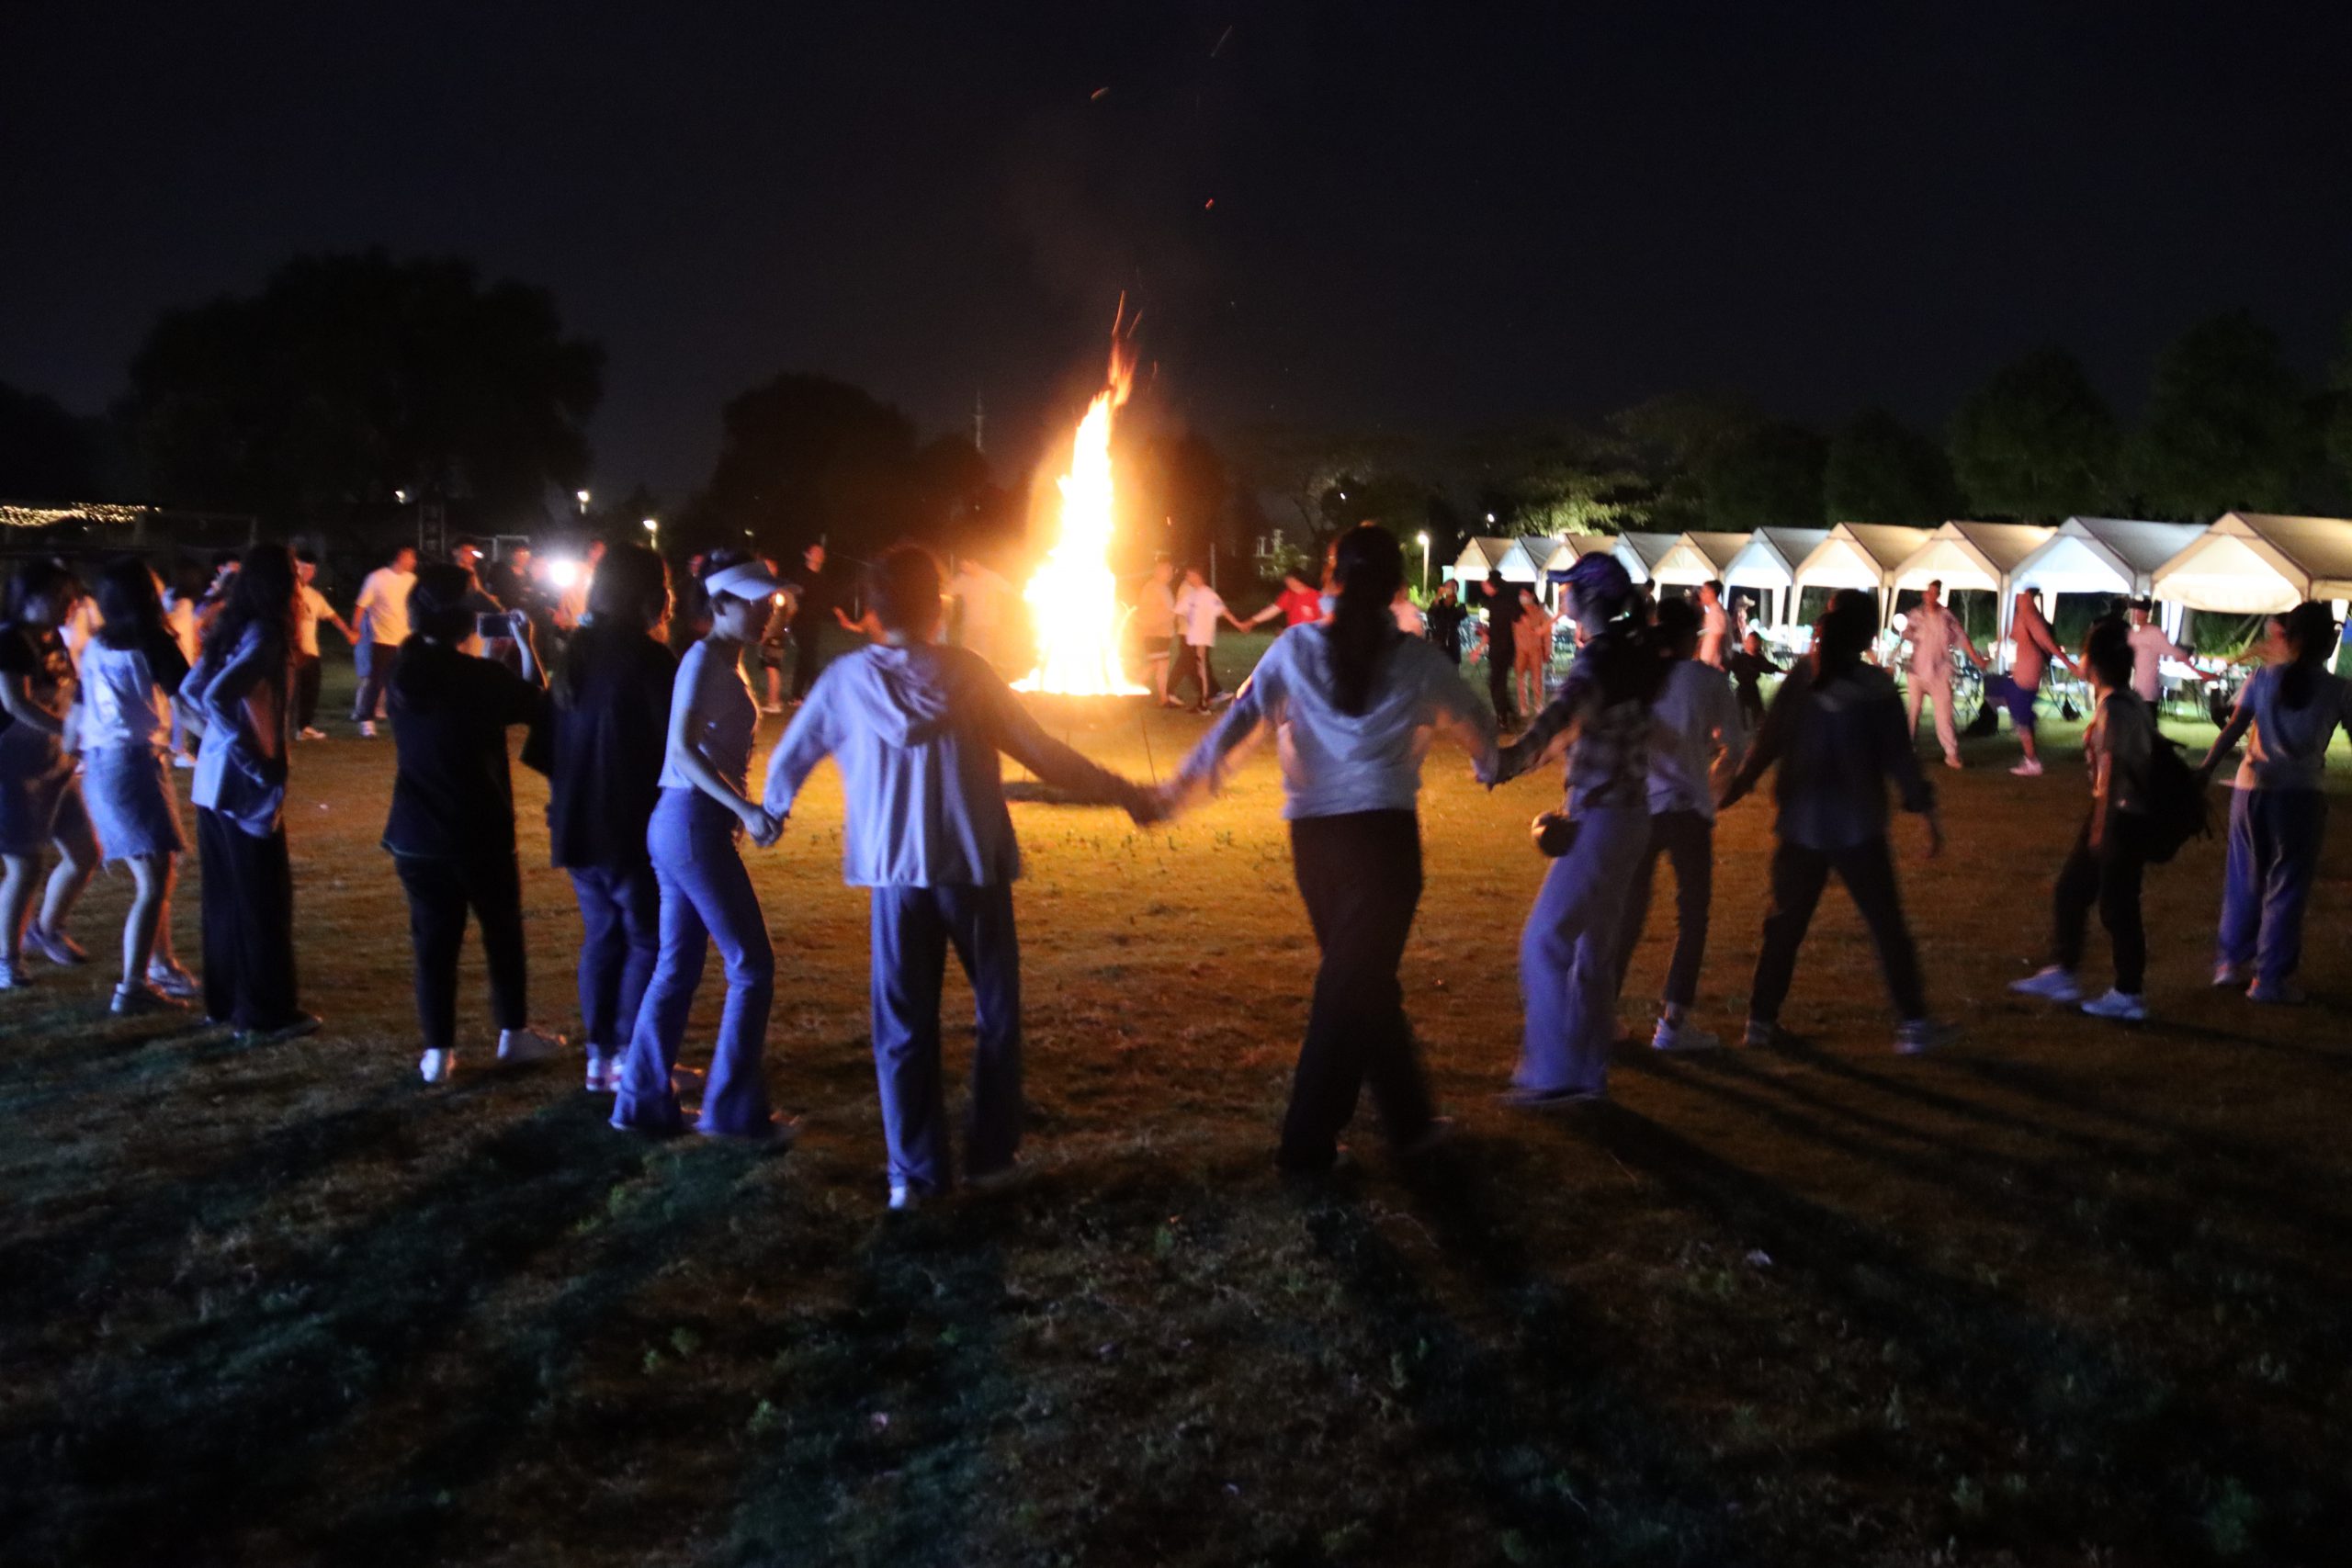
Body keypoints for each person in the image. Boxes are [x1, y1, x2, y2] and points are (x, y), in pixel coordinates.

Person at [763, 545, 1157, 1207]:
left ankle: (913, 1175)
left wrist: (770, 811)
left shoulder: (845, 681)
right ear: (938, 606)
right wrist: (1121, 789)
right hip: (971, 867)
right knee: (996, 1011)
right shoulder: (969, 675)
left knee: (902, 1025)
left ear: (872, 612)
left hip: (895, 873)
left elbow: (792, 755)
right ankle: (991, 1153)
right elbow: (1042, 752)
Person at [1162, 525, 1498, 1169]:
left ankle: (1409, 1122)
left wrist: (1180, 788)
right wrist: (1490, 763)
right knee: (1353, 983)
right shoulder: (1418, 660)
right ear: (1397, 587)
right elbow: (1476, 722)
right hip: (1384, 844)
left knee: (1362, 980)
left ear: (1330, 579)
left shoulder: (1294, 649)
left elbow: (1238, 722)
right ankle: (1307, 1142)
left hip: (1316, 843)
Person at [1718, 590, 1954, 1054]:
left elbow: (1768, 740)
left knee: (1785, 926)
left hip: (1800, 824)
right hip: (1857, 827)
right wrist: (1925, 812)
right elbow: (1899, 758)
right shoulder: (1876, 688)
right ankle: (1914, 1025)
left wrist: (1739, 785)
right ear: (1866, 635)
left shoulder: (1803, 679)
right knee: (1886, 925)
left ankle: (1760, 1022)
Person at [611, 552, 789, 1144]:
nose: (766, 612)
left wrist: (742, 808)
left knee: (678, 966)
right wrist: (745, 809)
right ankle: (732, 1113)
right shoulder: (702, 659)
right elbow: (682, 750)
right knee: (751, 966)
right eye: (755, 603)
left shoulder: (726, 662)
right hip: (691, 825)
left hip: (686, 825)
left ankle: (640, 1102)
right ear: (720, 604)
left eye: (770, 602)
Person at [1488, 553, 1668, 1107]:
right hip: (1628, 816)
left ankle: (1553, 1074)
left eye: (1568, 587)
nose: (1561, 595)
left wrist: (1511, 758)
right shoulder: (1630, 654)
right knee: (1593, 954)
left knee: (1545, 940)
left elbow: (1561, 715)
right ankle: (1588, 1074)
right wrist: (1534, 761)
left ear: (1589, 597)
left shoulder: (1601, 659)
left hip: (1603, 816)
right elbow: (1586, 727)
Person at [383, 565, 565, 1081]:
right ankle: (513, 1033)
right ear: (466, 621)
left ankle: (437, 1053)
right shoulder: (480, 678)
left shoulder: (405, 669)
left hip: (416, 832)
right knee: (501, 933)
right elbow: (537, 703)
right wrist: (524, 644)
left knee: (433, 943)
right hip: (478, 827)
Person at [548, 543, 677, 1091]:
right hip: (626, 821)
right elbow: (675, 745)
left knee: (603, 936)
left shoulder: (576, 653)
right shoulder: (649, 660)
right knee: (647, 938)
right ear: (651, 596)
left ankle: (600, 1059)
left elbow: (548, 746)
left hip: (576, 821)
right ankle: (631, 1056)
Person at [181, 544, 317, 1042]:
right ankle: (267, 1012)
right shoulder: (267, 635)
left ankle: (225, 1003)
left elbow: (191, 693)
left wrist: (218, 740)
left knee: (225, 900)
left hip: (212, 786)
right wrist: (253, 759)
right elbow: (215, 695)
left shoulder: (232, 627)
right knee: (263, 901)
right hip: (244, 789)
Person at [2197, 602, 2352, 1005]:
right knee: (2286, 886)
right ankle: (2268, 979)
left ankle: (2230, 964)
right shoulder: (2338, 690)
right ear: (2330, 642)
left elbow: (2234, 727)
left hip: (2250, 790)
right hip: (2300, 795)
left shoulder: (2262, 678)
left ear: (2290, 638)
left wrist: (2206, 768)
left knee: (2243, 879)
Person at [2008, 619, 2160, 1021]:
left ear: (2094, 661)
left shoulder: (2116, 708)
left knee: (2117, 905)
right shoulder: (2126, 701)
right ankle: (2064, 971)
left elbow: (2113, 770)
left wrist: (2099, 828)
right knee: (2072, 890)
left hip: (2120, 814)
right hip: (2117, 811)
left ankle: (2129, 993)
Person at [1617, 597, 1745, 1052]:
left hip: (1641, 807)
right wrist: (1712, 790)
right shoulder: (1708, 681)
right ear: (1694, 637)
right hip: (1688, 809)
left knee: (1628, 913)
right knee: (1692, 916)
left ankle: (1601, 1014)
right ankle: (1673, 1022)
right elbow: (1734, 747)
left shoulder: (1636, 678)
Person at [74, 558, 201, 1013]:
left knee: (157, 870)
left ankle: (162, 964)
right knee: (155, 878)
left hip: (101, 764)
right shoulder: (154, 640)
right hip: (132, 763)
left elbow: (80, 705)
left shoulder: (96, 645)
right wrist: (224, 739)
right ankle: (132, 985)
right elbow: (188, 703)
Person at [0, 561, 99, 988]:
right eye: (60, 597)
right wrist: (72, 731)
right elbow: (15, 703)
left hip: (56, 764)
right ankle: (7, 958)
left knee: (86, 853)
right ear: (29, 597)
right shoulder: (11, 640)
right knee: (24, 864)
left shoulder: (53, 639)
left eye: (72, 598)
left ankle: (47, 928)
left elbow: (69, 691)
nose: (69, 605)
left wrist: (83, 723)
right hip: (14, 771)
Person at [1894, 579, 1985, 770]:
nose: (1930, 596)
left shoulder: (1946, 617)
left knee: (1944, 716)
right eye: (1929, 592)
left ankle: (1951, 755)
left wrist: (1976, 659)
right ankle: (1905, 750)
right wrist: (1906, 633)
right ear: (1925, 594)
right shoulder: (1916, 615)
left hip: (1940, 673)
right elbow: (1905, 633)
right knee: (1914, 711)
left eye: (1935, 593)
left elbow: (1962, 637)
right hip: (1917, 672)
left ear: (1938, 595)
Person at [1995, 586, 2080, 777]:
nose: (2015, 597)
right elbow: (2012, 634)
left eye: (2018, 594)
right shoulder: (2023, 614)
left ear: (2024, 594)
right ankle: (2030, 736)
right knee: (2000, 695)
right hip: (2021, 676)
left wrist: (2070, 665)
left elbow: (2047, 642)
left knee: (2021, 720)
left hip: (2027, 678)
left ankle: (2032, 761)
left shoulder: (2031, 616)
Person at [350, 545, 418, 737]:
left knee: (402, 681)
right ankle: (366, 719)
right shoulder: (377, 578)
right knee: (376, 681)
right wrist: (355, 629)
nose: (414, 561)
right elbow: (361, 605)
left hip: (405, 639)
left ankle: (402, 716)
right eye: (411, 557)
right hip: (382, 639)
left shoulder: (412, 580)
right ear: (400, 557)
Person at [290, 548, 357, 741]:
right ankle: (283, 727)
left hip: (311, 652)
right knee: (289, 691)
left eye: (312, 570)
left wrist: (348, 633)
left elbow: (332, 616)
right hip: (291, 651)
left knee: (311, 690)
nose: (309, 573)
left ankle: (304, 727)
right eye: (305, 568)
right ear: (296, 568)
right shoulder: (288, 592)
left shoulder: (314, 595)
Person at [787, 543, 857, 704]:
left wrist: (842, 617)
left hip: (813, 623)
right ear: (807, 555)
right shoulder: (800, 576)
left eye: (822, 553)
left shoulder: (822, 579)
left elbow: (831, 601)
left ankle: (796, 695)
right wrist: (786, 621)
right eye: (816, 552)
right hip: (800, 622)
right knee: (809, 656)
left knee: (805, 657)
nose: (820, 555)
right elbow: (791, 599)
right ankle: (818, 693)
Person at [1172, 566, 1247, 712]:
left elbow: (1223, 611)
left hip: (1202, 639)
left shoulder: (1209, 594)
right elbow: (1177, 610)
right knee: (1199, 670)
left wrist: (1238, 624)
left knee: (1201, 671)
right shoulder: (1192, 595)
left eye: (1189, 575)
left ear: (1198, 576)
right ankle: (1205, 700)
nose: (1187, 578)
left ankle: (1204, 705)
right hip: (1192, 638)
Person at [2125, 598, 2213, 719]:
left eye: (2138, 611)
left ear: (2146, 613)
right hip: (2135, 691)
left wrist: (2199, 672)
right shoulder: (2133, 635)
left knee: (2146, 725)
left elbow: (2177, 654)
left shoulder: (2153, 634)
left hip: (2148, 691)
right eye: (2133, 611)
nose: (2135, 614)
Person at [1472, 570, 1521, 725]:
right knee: (1500, 681)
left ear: (1492, 585)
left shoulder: (1495, 603)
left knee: (1495, 684)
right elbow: (1516, 619)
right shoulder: (1510, 600)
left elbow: (1494, 631)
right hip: (1509, 648)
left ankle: (1502, 718)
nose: (1483, 586)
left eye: (1486, 583)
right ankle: (1510, 712)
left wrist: (1478, 649)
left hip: (1499, 648)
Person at [1133, 559, 1181, 706]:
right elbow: (1151, 612)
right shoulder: (1154, 588)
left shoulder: (1160, 587)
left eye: (1171, 570)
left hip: (1160, 632)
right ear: (1159, 571)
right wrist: (1173, 614)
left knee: (1155, 664)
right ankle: (1163, 698)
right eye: (1168, 570)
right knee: (1162, 665)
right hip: (1155, 632)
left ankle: (1136, 686)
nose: (1171, 574)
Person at [1727, 629, 1784, 732]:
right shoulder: (1740, 658)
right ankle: (1743, 729)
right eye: (1748, 641)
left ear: (1758, 644)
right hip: (1742, 689)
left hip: (1752, 689)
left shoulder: (1759, 659)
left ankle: (1758, 729)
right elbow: (1729, 667)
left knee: (1757, 711)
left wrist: (1784, 671)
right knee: (1740, 711)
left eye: (1753, 641)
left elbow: (1770, 667)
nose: (1748, 643)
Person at [1511, 587, 1555, 718]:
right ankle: (1523, 706)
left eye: (1525, 594)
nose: (1522, 597)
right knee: (1520, 678)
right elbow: (1512, 630)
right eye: (1521, 594)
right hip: (1520, 649)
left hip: (1536, 649)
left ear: (1532, 596)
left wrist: (1547, 649)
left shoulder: (1540, 611)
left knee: (1537, 678)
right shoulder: (1516, 611)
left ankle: (1538, 704)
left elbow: (1547, 632)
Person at [1244, 570, 1324, 631]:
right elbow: (1272, 611)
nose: (1287, 582)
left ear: (1299, 581)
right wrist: (1251, 622)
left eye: (1290, 580)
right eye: (1287, 580)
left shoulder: (1316, 596)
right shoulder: (1288, 595)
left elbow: (1325, 618)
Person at [1425, 581, 1468, 666]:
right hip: (1438, 642)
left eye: (1453, 587)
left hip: (1453, 642)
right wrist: (1438, 596)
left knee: (1454, 667)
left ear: (1457, 590)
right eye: (1448, 587)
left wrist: (1455, 600)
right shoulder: (1439, 604)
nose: (1450, 589)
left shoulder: (1459, 605)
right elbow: (1430, 613)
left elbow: (1462, 614)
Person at [1696, 580, 1732, 669]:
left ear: (1711, 592)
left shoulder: (1716, 613)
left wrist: (1707, 663)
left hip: (1711, 664)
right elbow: (1707, 632)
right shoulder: (1713, 611)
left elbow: (1716, 636)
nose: (1701, 595)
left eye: (1703, 591)